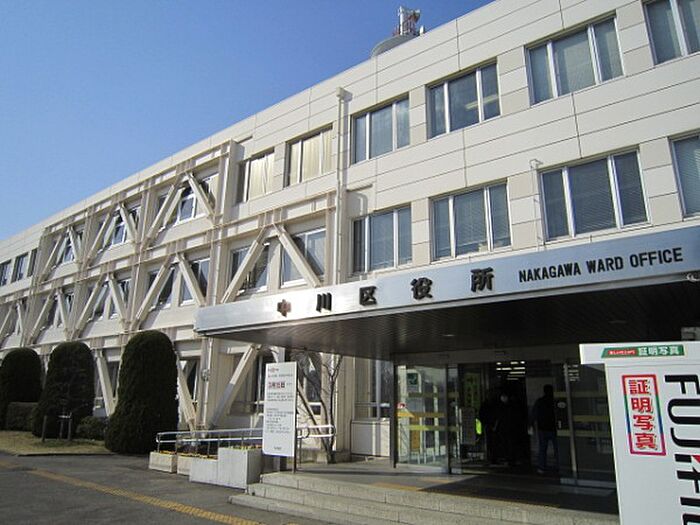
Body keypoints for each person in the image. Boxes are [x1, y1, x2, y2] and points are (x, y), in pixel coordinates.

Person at [531, 384, 558, 474]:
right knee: (557, 449)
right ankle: (559, 466)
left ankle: (541, 467)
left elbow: (534, 414)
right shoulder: (555, 401)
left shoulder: (540, 401)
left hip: (542, 428)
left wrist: (531, 424)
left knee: (542, 448)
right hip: (554, 428)